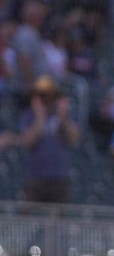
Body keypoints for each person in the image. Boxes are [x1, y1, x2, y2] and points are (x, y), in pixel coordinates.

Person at [19, 74, 81, 203]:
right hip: (35, 177)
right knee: (29, 220)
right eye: (41, 94)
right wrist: (40, 117)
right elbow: (28, 141)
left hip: (59, 177)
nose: (44, 98)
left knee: (59, 220)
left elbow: (74, 138)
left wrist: (63, 117)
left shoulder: (64, 115)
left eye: (47, 94)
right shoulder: (29, 115)